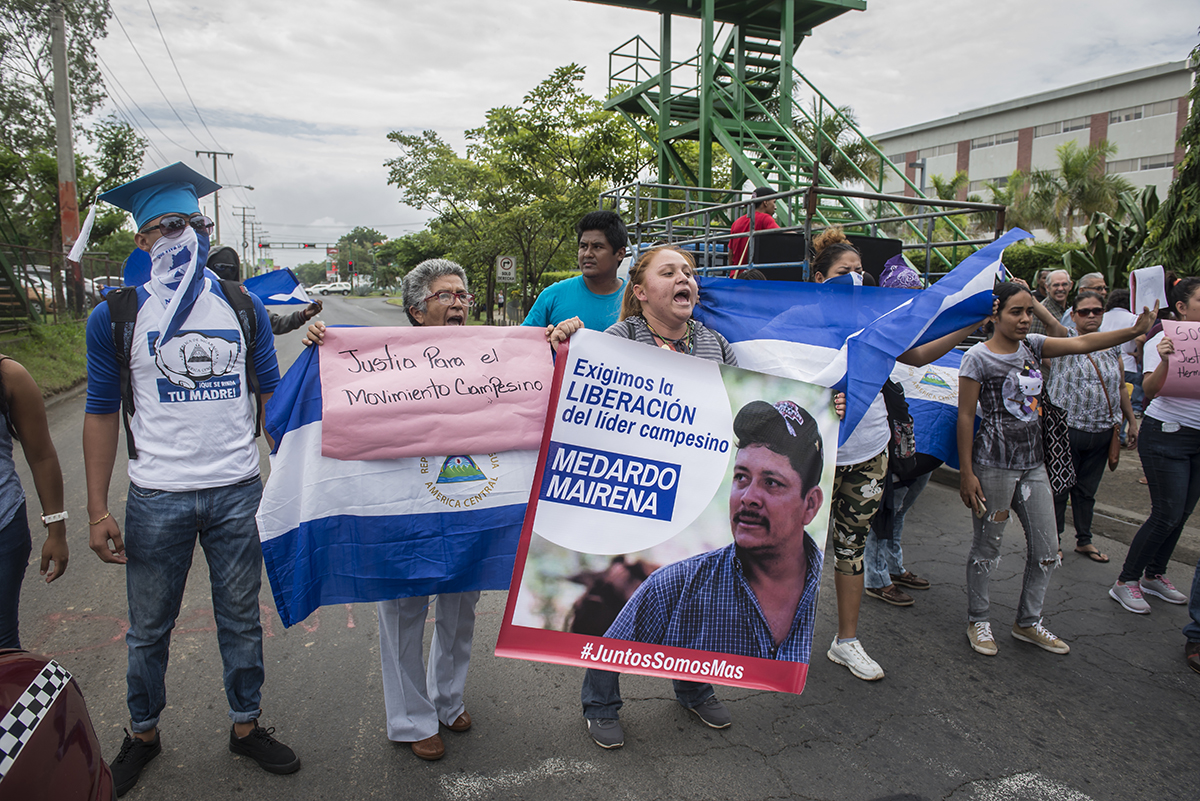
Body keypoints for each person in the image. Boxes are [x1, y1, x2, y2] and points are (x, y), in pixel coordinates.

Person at [305, 259, 577, 761]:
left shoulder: (495, 354)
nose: (458, 303)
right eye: (445, 295)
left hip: (469, 503)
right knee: (405, 608)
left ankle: (448, 699)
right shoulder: (378, 357)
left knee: (461, 605)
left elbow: (538, 383)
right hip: (403, 512)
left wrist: (560, 339)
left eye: (463, 295)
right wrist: (320, 346)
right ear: (415, 309)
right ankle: (410, 719)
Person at [84, 163, 298, 797]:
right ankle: (142, 732)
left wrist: (293, 473)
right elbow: (99, 413)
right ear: (142, 242)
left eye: (194, 224)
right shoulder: (118, 315)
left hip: (238, 491)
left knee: (240, 619)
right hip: (157, 497)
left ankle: (246, 726)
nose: (184, 235)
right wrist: (96, 509)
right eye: (167, 226)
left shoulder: (240, 304)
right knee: (150, 626)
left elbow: (271, 398)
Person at [580, 244, 738, 750]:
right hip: (630, 494)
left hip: (696, 497)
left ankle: (694, 687)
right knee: (617, 599)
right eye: (668, 272)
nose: (683, 279)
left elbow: (745, 407)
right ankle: (600, 703)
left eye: (688, 272)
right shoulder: (614, 340)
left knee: (697, 597)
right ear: (641, 291)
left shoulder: (716, 345)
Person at [810, 228, 981, 678]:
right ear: (819, 278)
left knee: (852, 547)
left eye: (860, 272)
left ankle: (846, 641)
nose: (856, 279)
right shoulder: (801, 324)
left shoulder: (877, 321)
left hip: (869, 451)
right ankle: (775, 639)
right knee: (795, 550)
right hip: (813, 456)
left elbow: (920, 355)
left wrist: (972, 321)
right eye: (844, 272)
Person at [957, 282, 1154, 657]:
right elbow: (966, 417)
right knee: (988, 548)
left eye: (1028, 311)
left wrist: (1133, 331)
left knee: (1048, 549)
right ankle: (977, 619)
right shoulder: (978, 358)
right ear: (995, 314)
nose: (1024, 319)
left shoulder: (1033, 345)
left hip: (1034, 467)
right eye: (1016, 311)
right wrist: (967, 473)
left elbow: (1081, 344)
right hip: (994, 467)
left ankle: (1028, 623)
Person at [605, 399, 825, 661]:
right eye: (741, 477)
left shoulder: (829, 593)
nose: (748, 497)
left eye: (771, 482)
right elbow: (603, 662)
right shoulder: (671, 590)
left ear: (810, 505)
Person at [1110, 276, 1200, 615]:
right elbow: (1151, 388)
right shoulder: (1164, 337)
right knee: (1167, 513)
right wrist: (1165, 359)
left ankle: (1154, 575)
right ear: (1181, 307)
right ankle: (1126, 580)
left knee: (1183, 514)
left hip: (1197, 437)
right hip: (1167, 434)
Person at [1044, 291, 1138, 563]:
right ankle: (1054, 541)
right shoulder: (1063, 339)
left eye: (1096, 311)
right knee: (1059, 489)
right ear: (1073, 315)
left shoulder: (1112, 345)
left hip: (1102, 431)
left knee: (1087, 491)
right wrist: (1025, 292)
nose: (1091, 316)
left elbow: (1120, 386)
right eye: (1084, 311)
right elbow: (1046, 318)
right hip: (1067, 430)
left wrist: (1131, 421)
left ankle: (1084, 540)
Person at [0, 356, 68, 650]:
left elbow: (41, 456)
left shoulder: (9, 376)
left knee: (3, 649)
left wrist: (56, 530)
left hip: (3, 528)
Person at [523, 210, 627, 331]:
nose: (587, 254)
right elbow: (522, 342)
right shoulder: (552, 296)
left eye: (597, 247)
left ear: (620, 253)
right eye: (583, 246)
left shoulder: (637, 301)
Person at [206, 245, 323, 334]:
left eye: (232, 269)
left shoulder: (244, 301)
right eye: (220, 267)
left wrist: (304, 315)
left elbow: (275, 323)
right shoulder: (193, 301)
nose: (226, 272)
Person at [728, 187, 781, 267]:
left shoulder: (736, 222)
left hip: (736, 274)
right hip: (754, 275)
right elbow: (785, 235)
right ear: (765, 202)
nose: (775, 207)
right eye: (774, 202)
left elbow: (730, 253)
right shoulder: (765, 218)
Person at [1029, 269, 1071, 335]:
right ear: (1047, 287)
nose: (1060, 289)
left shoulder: (1069, 310)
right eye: (1056, 285)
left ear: (1070, 286)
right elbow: (1035, 343)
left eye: (1064, 284)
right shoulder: (1041, 312)